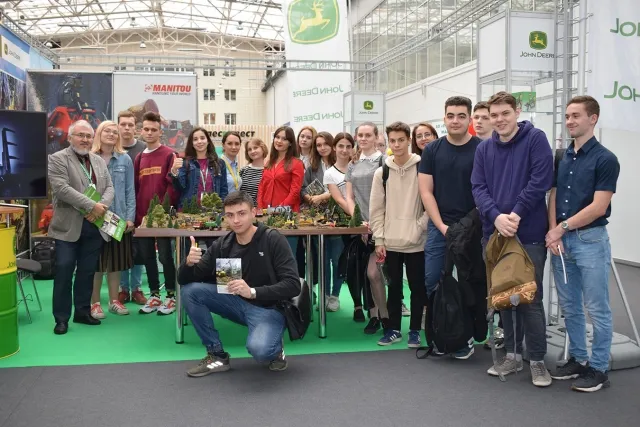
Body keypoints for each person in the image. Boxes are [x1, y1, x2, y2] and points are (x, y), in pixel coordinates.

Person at [471, 91, 554, 387]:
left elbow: (540, 181)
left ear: (517, 111)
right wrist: (496, 217)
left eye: (505, 113)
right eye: (494, 115)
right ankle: (512, 355)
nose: (499, 120)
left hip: (528, 234)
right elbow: (478, 187)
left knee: (530, 299)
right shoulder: (484, 149)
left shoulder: (536, 139)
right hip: (494, 236)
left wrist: (516, 214)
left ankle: (538, 361)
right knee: (504, 297)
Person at [178, 191, 301, 377]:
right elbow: (184, 280)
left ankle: (276, 350)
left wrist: (252, 292)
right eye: (230, 215)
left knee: (260, 351)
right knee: (190, 291)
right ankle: (216, 355)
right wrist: (188, 264)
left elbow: (293, 285)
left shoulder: (272, 239)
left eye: (241, 213)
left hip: (269, 309)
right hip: (234, 302)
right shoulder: (223, 244)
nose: (235, 220)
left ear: (254, 212)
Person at [546, 95, 620, 393]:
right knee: (570, 307)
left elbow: (599, 207)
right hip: (561, 242)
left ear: (593, 119)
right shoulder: (562, 156)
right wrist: (553, 231)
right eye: (567, 116)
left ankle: (599, 369)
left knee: (597, 308)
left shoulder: (606, 159)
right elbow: (553, 195)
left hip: (590, 240)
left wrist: (561, 228)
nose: (569, 121)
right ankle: (578, 359)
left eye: (576, 115)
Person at [418, 96, 484, 359]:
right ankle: (441, 334)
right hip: (439, 228)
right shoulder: (432, 150)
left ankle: (465, 337)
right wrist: (443, 227)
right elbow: (426, 192)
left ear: (469, 119)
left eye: (461, 116)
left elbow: (487, 191)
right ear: (444, 118)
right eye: (450, 115)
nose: (455, 120)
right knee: (433, 280)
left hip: (473, 228)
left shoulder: (483, 149)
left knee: (470, 284)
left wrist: (466, 226)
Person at [47, 120, 114, 334]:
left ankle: (83, 312)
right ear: (70, 138)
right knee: (64, 271)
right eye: (80, 135)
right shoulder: (57, 159)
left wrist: (101, 208)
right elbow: (62, 189)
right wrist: (92, 205)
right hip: (68, 228)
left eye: (88, 136)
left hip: (94, 226)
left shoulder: (98, 161)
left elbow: (110, 187)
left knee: (87, 272)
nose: (85, 139)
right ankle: (61, 318)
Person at [369, 121, 428, 348]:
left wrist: (419, 227)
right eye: (392, 141)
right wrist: (379, 239)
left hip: (417, 241)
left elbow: (432, 203)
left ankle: (414, 330)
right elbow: (376, 209)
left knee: (417, 288)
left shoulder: (423, 167)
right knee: (393, 288)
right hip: (390, 242)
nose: (397, 145)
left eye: (401, 140)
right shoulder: (381, 172)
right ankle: (393, 329)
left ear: (409, 140)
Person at [345, 122, 388, 334]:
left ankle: (386, 316)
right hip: (362, 227)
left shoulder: (384, 161)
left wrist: (376, 222)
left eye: (368, 135)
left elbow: (390, 195)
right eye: (360, 135)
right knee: (367, 273)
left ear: (376, 136)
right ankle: (374, 316)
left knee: (374, 273)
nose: (363, 138)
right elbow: (349, 197)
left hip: (381, 225)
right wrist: (360, 221)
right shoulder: (352, 163)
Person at [90, 121, 136, 319]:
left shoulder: (125, 159)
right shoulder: (89, 158)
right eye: (106, 131)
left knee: (115, 263)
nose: (111, 134)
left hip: (118, 217)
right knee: (96, 263)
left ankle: (114, 301)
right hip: (94, 218)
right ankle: (95, 303)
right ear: (99, 134)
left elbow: (130, 190)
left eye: (114, 132)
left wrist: (130, 218)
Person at [134, 111, 177, 315]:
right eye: (146, 129)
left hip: (162, 218)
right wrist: (137, 217)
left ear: (160, 132)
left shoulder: (169, 154)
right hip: (143, 218)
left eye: (154, 129)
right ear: (141, 131)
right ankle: (154, 295)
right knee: (148, 257)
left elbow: (172, 186)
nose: (150, 132)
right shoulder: (139, 157)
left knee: (166, 257)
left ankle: (171, 296)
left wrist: (164, 212)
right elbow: (136, 188)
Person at [302, 132, 342, 311]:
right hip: (318, 221)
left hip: (339, 219)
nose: (322, 148)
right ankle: (324, 295)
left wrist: (324, 196)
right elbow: (303, 189)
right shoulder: (312, 168)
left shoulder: (341, 164)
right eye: (318, 145)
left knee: (337, 260)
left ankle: (335, 296)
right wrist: (310, 198)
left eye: (325, 144)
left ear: (332, 145)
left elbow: (344, 189)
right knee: (323, 261)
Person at [257, 126, 305, 256]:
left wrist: (278, 210)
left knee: (287, 256)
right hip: (266, 215)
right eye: (277, 137)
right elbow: (262, 187)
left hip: (287, 216)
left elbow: (295, 192)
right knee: (267, 256)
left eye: (284, 139)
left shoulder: (296, 163)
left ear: (290, 143)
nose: (279, 141)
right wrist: (260, 208)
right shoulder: (269, 162)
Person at [117, 110, 146, 305]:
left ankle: (136, 288)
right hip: (118, 209)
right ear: (118, 126)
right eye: (123, 124)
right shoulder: (113, 148)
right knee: (120, 250)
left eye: (130, 125)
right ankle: (123, 289)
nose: (127, 128)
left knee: (138, 251)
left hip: (140, 209)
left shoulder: (143, 149)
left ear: (135, 128)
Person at [170, 126, 228, 209]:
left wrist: (220, 208)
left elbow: (223, 190)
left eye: (202, 138)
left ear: (208, 141)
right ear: (192, 143)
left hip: (213, 210)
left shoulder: (219, 163)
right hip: (189, 210)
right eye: (195, 139)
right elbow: (179, 188)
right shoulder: (185, 163)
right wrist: (174, 171)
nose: (199, 141)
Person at [239, 137, 268, 205]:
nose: (252, 151)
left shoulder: (269, 171)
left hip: (262, 209)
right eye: (249, 149)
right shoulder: (243, 170)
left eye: (255, 148)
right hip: (244, 208)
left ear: (263, 148)